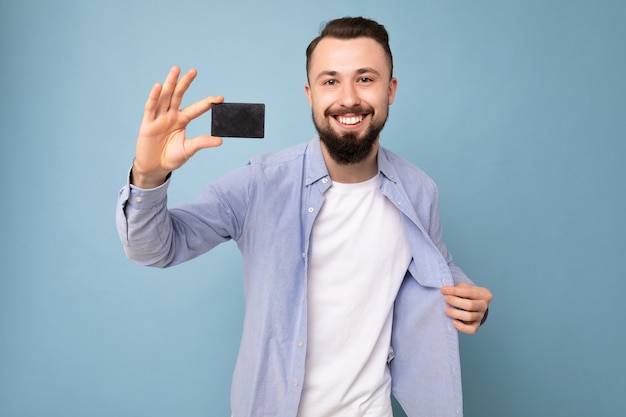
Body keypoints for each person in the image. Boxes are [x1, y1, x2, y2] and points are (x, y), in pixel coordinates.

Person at [116, 16, 492, 417]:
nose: (349, 98)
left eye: (365, 78)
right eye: (331, 81)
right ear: (310, 94)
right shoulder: (260, 183)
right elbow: (155, 249)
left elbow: (435, 269)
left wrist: (470, 301)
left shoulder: (420, 191)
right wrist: (149, 176)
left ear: (391, 89)